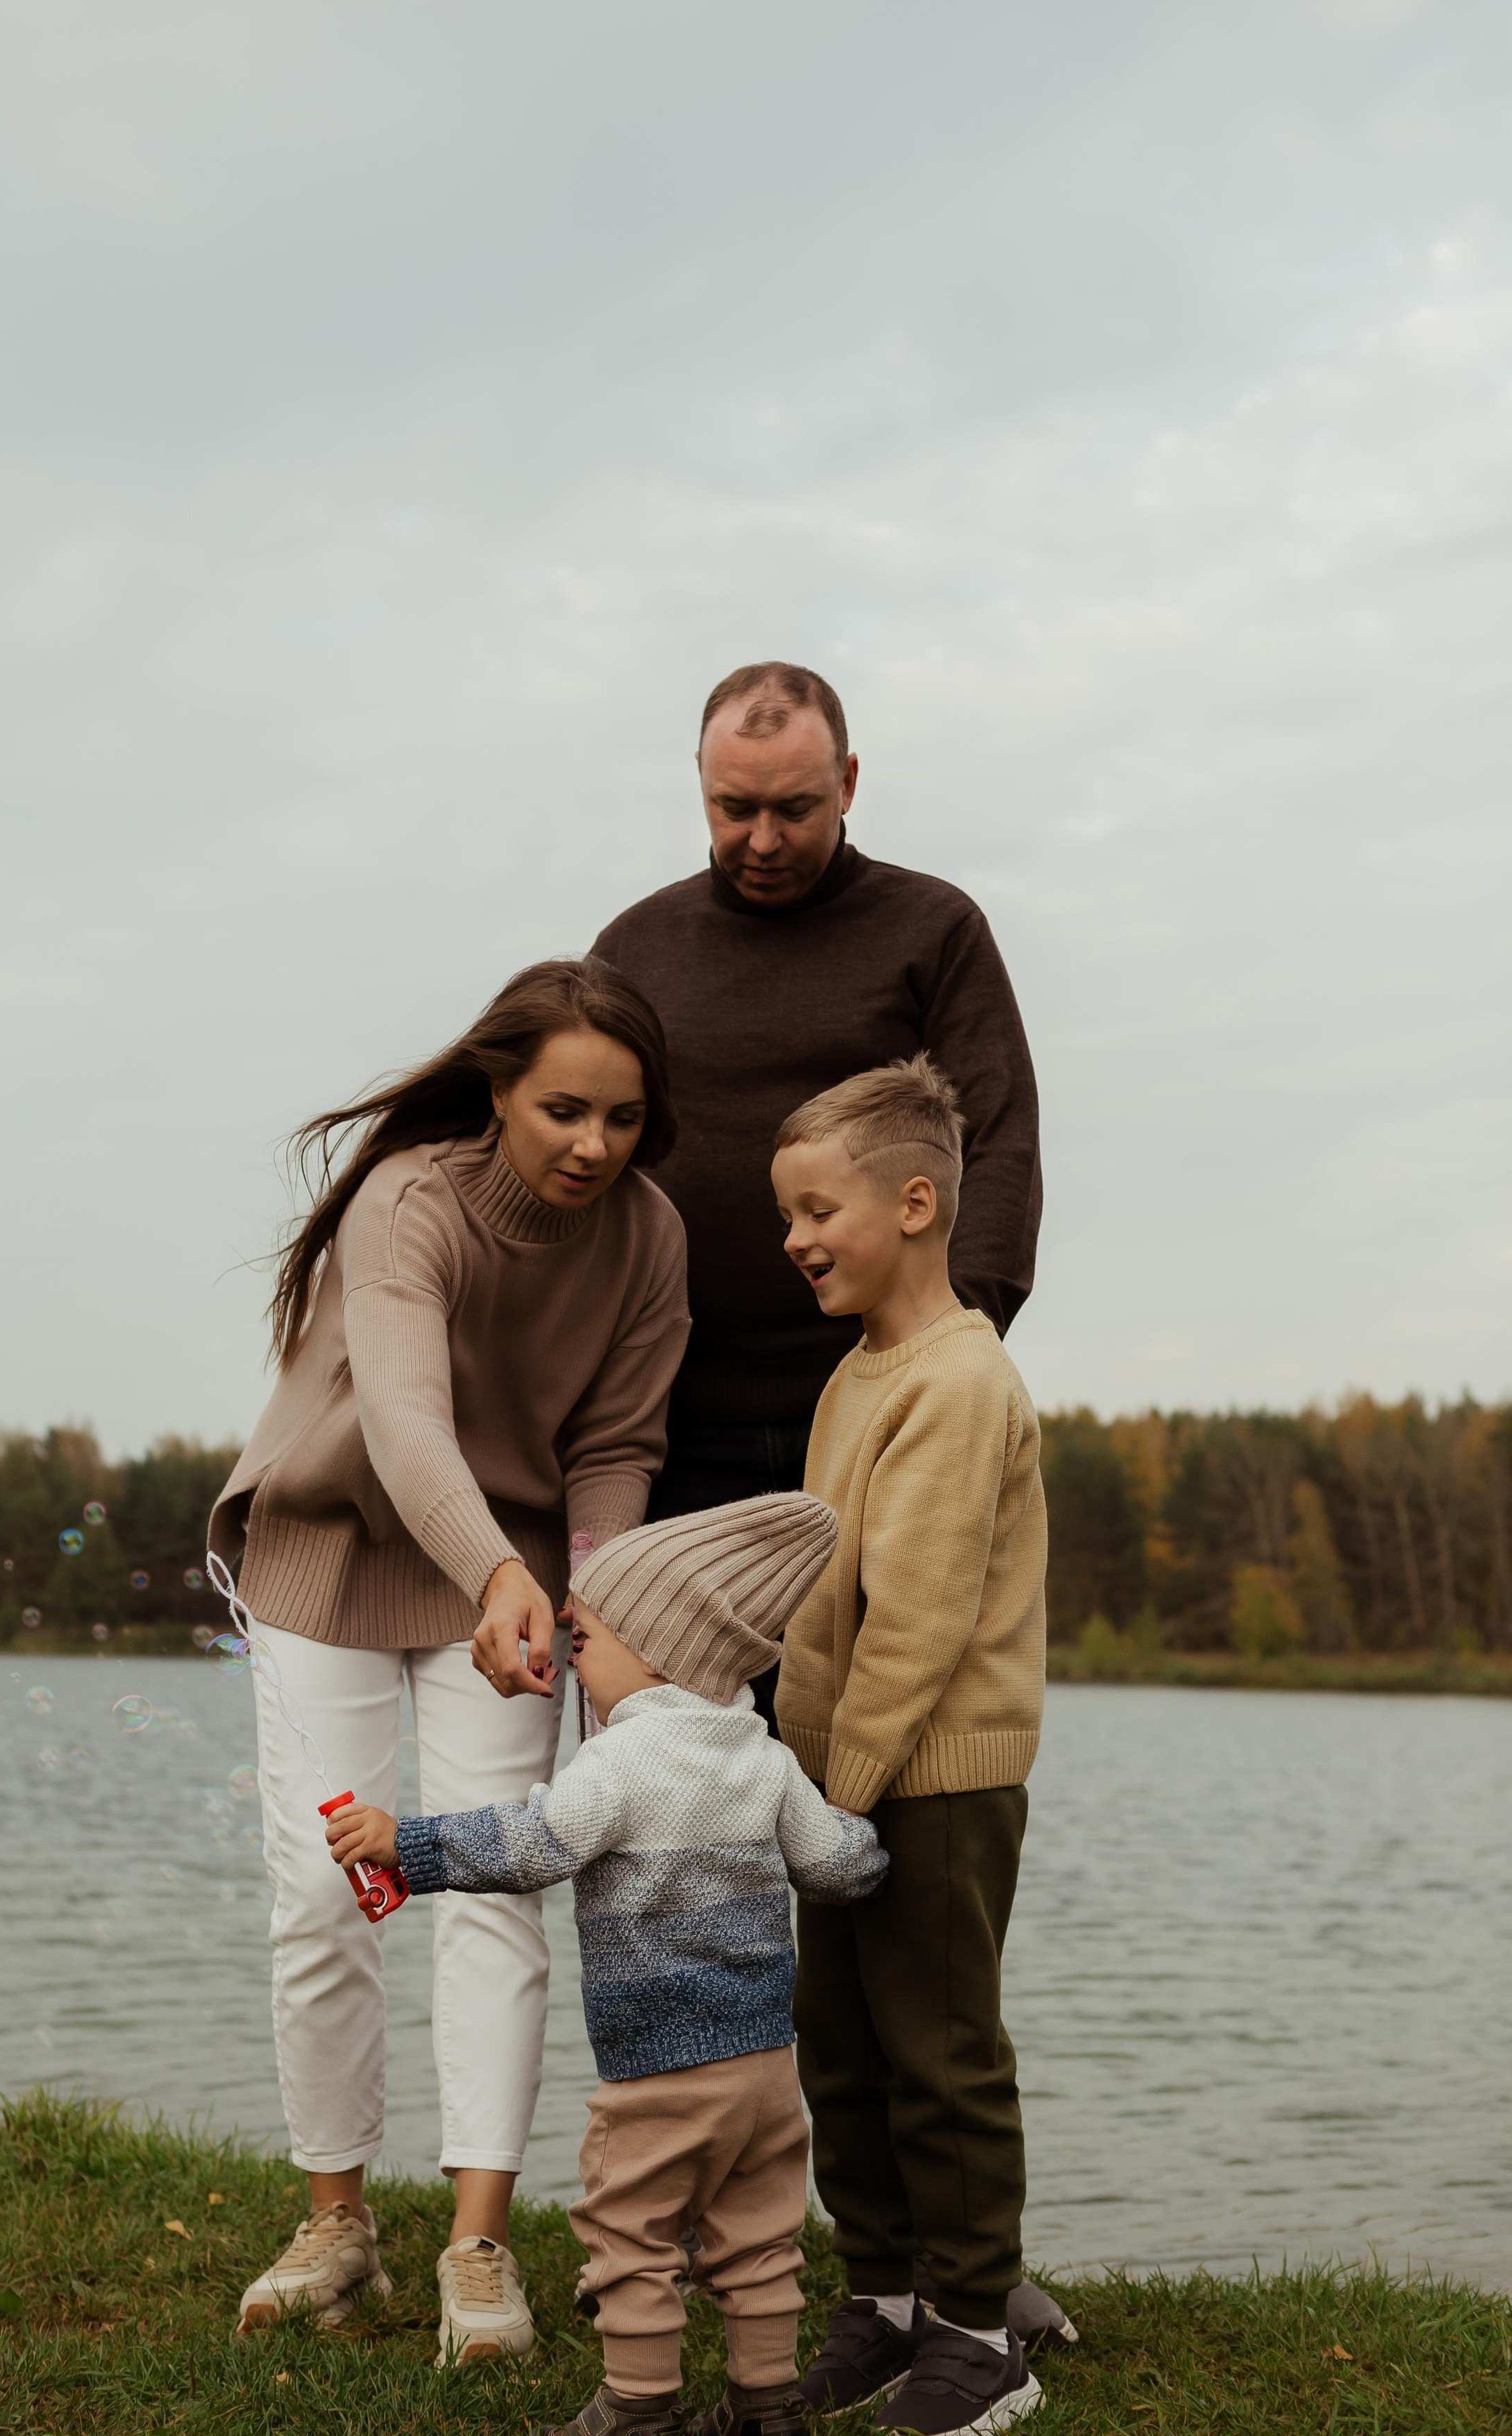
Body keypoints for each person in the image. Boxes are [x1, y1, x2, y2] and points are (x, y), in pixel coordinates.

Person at [210, 957, 690, 2365]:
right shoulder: (405, 1200)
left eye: (621, 1119)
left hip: (510, 1592)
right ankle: (337, 2221)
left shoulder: (647, 1238)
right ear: (495, 1090)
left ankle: (475, 2245)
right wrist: (491, 1567)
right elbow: (410, 1421)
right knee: (328, 1886)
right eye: (561, 1111)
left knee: (494, 1889)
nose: (592, 1146)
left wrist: (591, 1609)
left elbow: (615, 1446)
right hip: (332, 1552)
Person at [327, 1492, 888, 2435]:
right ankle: (765, 2408)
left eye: (587, 1639)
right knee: (758, 2240)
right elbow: (835, 1865)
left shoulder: (619, 1761)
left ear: (664, 1649)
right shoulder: (765, 1759)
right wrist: (880, 1842)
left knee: (632, 2237)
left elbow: (530, 1845)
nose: (572, 1651)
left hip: (659, 2073)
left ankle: (637, 2409)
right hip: (761, 2069)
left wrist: (407, 1846)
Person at [589, 661, 1040, 1712]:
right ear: (697, 785)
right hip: (670, 1428)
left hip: (873, 1420)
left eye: (793, 808)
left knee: (860, 1751)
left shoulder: (935, 929)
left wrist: (943, 1363)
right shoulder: (633, 948)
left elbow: (1002, 1145)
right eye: (731, 807)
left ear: (847, 780)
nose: (760, 838)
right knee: (669, 1777)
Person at [771, 1057, 1048, 2436]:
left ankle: (979, 2327)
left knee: (938, 2056)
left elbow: (918, 1623)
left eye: (817, 1210)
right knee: (841, 2045)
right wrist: (801, 1783)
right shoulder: (851, 1377)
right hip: (840, 1786)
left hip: (929, 1785)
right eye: (787, 1217)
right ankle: (880, 2299)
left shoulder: (959, 1381)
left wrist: (844, 1802)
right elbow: (821, 1598)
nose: (795, 1240)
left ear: (917, 1202)